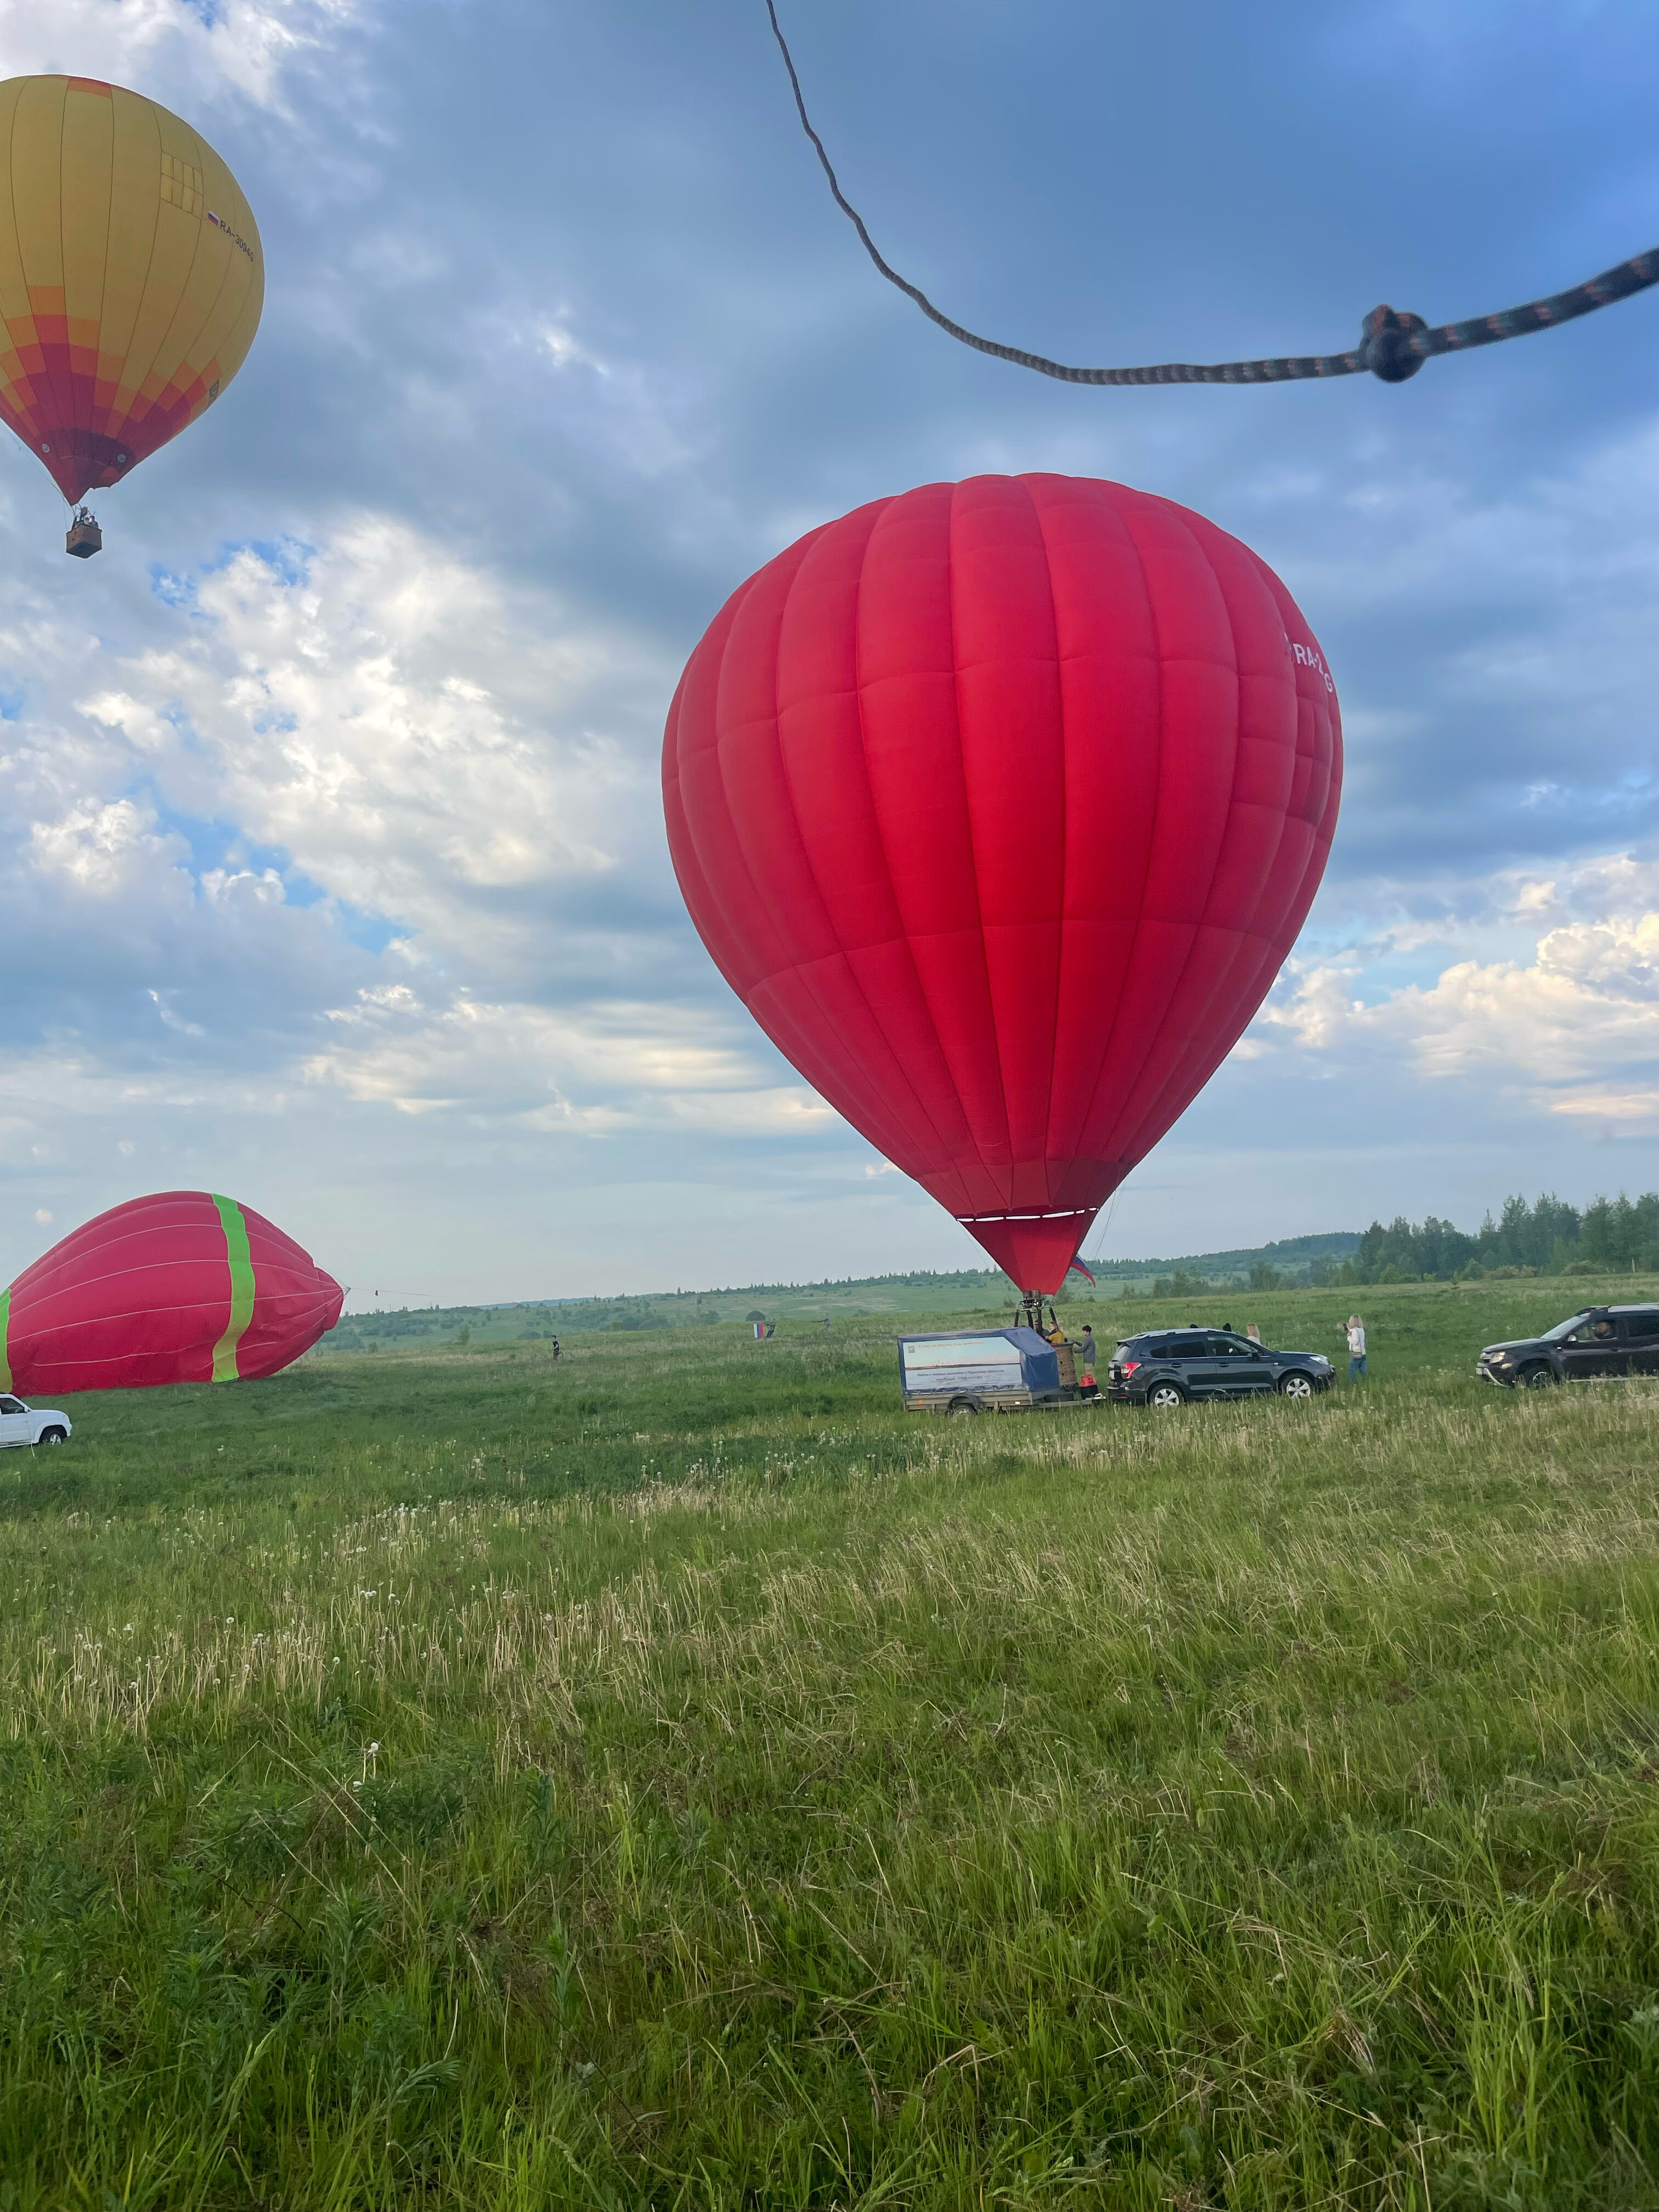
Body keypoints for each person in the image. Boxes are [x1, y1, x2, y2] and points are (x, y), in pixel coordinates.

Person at [1078, 1324, 1098, 1397]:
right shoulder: (1089, 1338)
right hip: (1091, 1359)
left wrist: (1075, 1351)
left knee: (1089, 1376)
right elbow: (1084, 1345)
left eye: (1084, 1331)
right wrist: (1077, 1343)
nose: (1083, 1333)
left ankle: (1090, 1391)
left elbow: (1083, 1348)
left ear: (1088, 1332)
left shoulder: (1088, 1339)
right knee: (1089, 1375)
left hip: (1088, 1360)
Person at [1345, 1314, 1367, 1380]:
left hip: (1356, 1352)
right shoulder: (1361, 1329)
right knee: (1363, 1369)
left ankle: (1353, 1382)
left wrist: (1349, 1337)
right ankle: (1365, 1381)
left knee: (1352, 1369)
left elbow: (1355, 1342)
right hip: (1363, 1352)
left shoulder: (1354, 1331)